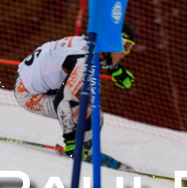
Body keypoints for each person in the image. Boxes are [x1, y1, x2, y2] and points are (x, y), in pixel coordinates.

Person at [13, 22, 137, 157]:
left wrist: (115, 70)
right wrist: (70, 138)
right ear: (113, 42)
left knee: (87, 111)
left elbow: (93, 56)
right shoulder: (83, 60)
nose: (126, 53)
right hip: (29, 95)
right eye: (125, 46)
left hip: (25, 80)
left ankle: (82, 148)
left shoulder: (86, 44)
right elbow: (62, 100)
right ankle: (84, 153)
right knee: (93, 115)